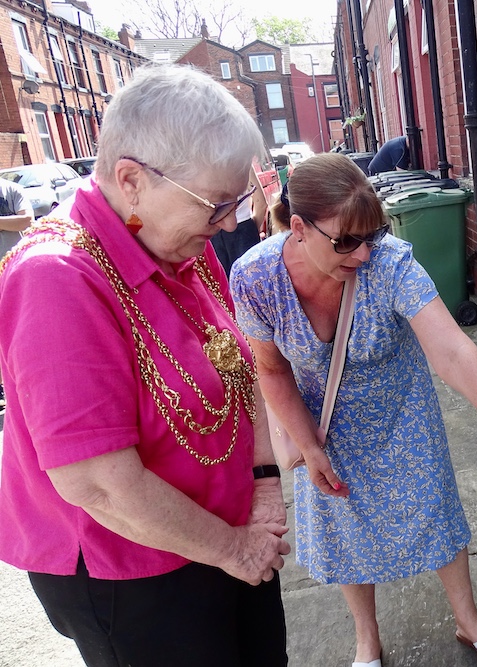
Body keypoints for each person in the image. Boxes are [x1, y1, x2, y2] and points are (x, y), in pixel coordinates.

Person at [230, 153, 477, 667]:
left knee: (434, 509)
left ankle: (470, 623)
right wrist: (307, 445)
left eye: (371, 234)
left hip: (400, 412)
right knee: (342, 525)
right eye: (346, 241)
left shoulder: (390, 260)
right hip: (322, 423)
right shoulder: (255, 277)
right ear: (300, 228)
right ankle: (366, 640)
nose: (362, 254)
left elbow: (453, 350)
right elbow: (271, 369)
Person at [0, 65, 290, 667]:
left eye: (236, 202)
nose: (231, 224)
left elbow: (241, 369)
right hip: (134, 573)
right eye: (216, 205)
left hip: (226, 536)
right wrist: (233, 550)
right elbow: (99, 483)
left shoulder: (178, 244)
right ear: (131, 179)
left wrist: (263, 483)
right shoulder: (58, 280)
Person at [0, 177, 32, 410]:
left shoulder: (11, 190)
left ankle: (23, 385)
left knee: (18, 332)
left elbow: (26, 220)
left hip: (13, 272)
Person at [210, 167, 268, 277]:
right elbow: (261, 203)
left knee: (222, 285)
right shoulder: (242, 163)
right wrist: (252, 229)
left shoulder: (203, 164)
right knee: (253, 280)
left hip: (214, 232)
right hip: (244, 229)